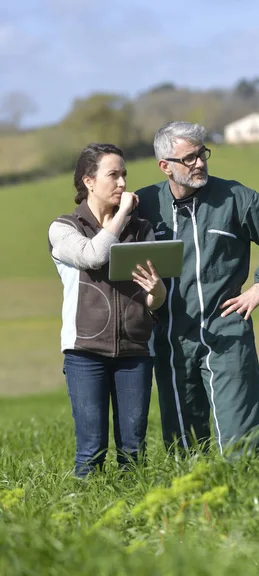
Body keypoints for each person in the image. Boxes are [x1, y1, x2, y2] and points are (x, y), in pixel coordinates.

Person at [137, 121, 259, 457]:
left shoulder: (235, 197)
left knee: (242, 436)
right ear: (165, 166)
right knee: (183, 442)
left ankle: (249, 493)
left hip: (226, 330)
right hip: (170, 337)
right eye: (189, 158)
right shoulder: (145, 204)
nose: (200, 163)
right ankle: (195, 501)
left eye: (202, 154)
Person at [48, 143, 166, 477]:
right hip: (85, 352)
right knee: (91, 451)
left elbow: (154, 300)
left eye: (124, 175)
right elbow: (93, 256)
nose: (122, 184)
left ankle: (135, 517)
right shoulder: (63, 228)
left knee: (133, 452)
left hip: (135, 353)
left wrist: (157, 291)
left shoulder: (142, 231)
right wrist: (119, 218)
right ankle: (86, 521)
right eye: (113, 175)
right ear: (88, 181)